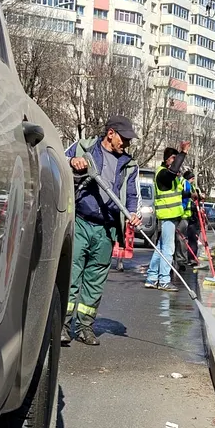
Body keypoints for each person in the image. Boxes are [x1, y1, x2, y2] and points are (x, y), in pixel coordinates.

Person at [62, 116, 142, 346]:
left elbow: (132, 195)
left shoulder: (129, 165)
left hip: (106, 229)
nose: (126, 144)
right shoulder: (83, 147)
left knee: (95, 281)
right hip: (80, 222)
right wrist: (72, 161)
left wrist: (134, 214)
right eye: (124, 139)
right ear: (110, 133)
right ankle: (62, 325)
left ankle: (85, 327)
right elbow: (57, 160)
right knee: (71, 275)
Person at [145, 141, 191, 291]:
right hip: (167, 216)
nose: (176, 163)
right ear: (167, 159)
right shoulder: (163, 173)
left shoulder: (169, 176)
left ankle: (152, 278)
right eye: (173, 159)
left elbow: (176, 193)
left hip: (171, 216)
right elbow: (172, 172)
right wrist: (183, 153)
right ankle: (164, 280)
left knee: (160, 248)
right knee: (168, 249)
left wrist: (190, 195)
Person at [174, 170, 195, 271]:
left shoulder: (184, 183)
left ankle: (181, 260)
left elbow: (185, 199)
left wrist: (181, 210)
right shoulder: (177, 181)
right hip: (176, 214)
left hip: (182, 215)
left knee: (180, 237)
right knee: (176, 237)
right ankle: (175, 259)